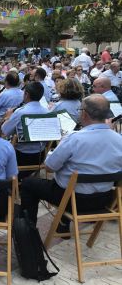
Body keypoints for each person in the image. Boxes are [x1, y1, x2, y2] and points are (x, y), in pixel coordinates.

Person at [21, 95, 122, 231]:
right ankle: (62, 227)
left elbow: (50, 168)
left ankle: (28, 231)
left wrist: (60, 146)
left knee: (29, 184)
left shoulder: (75, 139)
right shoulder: (119, 140)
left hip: (71, 199)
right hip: (104, 200)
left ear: (84, 114)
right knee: (69, 179)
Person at [1, 82, 49, 179]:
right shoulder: (47, 112)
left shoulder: (20, 112)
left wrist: (7, 118)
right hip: (40, 155)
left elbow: (3, 133)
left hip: (21, 156)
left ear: (26, 94)